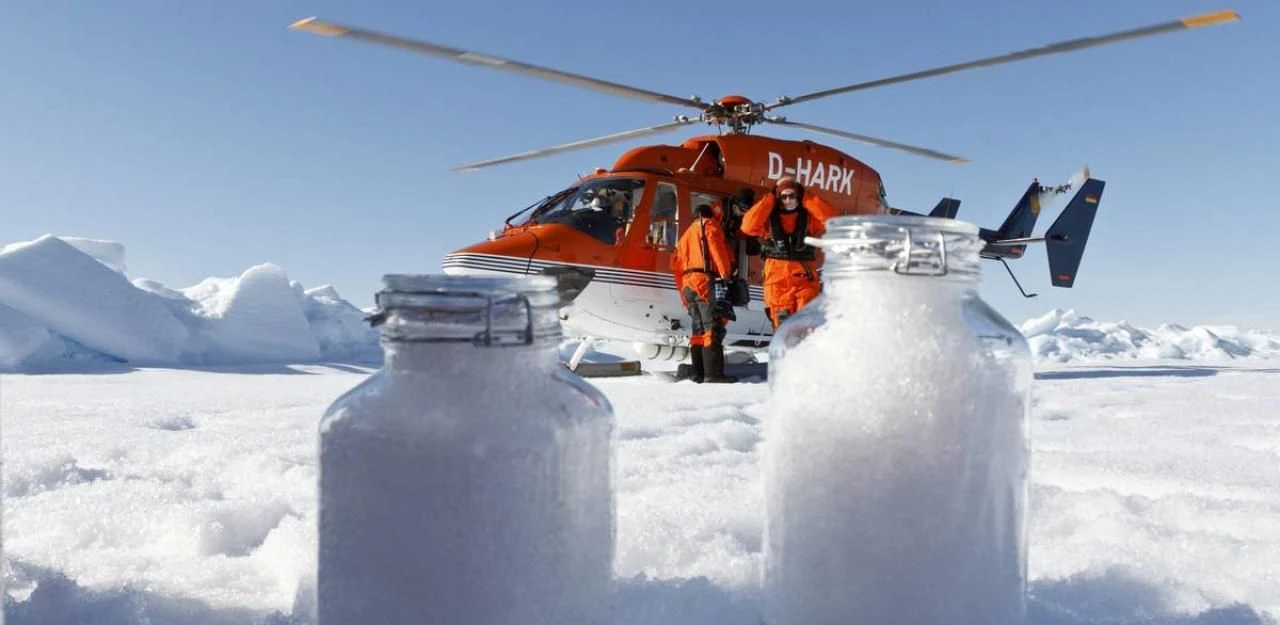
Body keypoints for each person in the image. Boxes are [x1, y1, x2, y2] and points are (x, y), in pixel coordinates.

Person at [739, 176, 837, 329]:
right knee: (784, 332)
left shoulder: (810, 219)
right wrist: (770, 197)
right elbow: (747, 226)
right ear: (778, 197)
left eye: (793, 196)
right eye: (784, 196)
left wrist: (807, 197)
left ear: (799, 196)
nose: (788, 200)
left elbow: (832, 218)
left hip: (804, 282)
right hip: (777, 284)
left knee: (807, 329)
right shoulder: (768, 221)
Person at [671, 203, 737, 383]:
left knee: (698, 331)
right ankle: (713, 374)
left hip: (687, 285)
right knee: (712, 327)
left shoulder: (684, 237)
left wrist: (682, 294)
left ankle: (698, 373)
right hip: (704, 282)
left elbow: (675, 266)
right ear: (710, 216)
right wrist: (725, 274)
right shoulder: (709, 225)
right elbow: (716, 248)